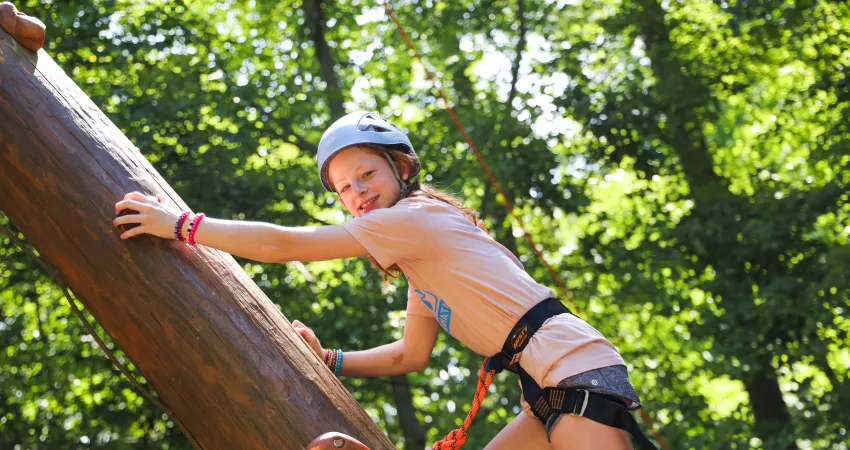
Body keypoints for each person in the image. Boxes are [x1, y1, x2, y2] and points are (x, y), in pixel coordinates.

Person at [113, 111, 653, 450]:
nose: (358, 193)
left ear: (401, 167)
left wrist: (183, 226)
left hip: (575, 372)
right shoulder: (420, 262)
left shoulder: (416, 221)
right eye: (345, 188)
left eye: (367, 174)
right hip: (546, 388)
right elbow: (408, 355)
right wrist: (331, 361)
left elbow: (285, 244)